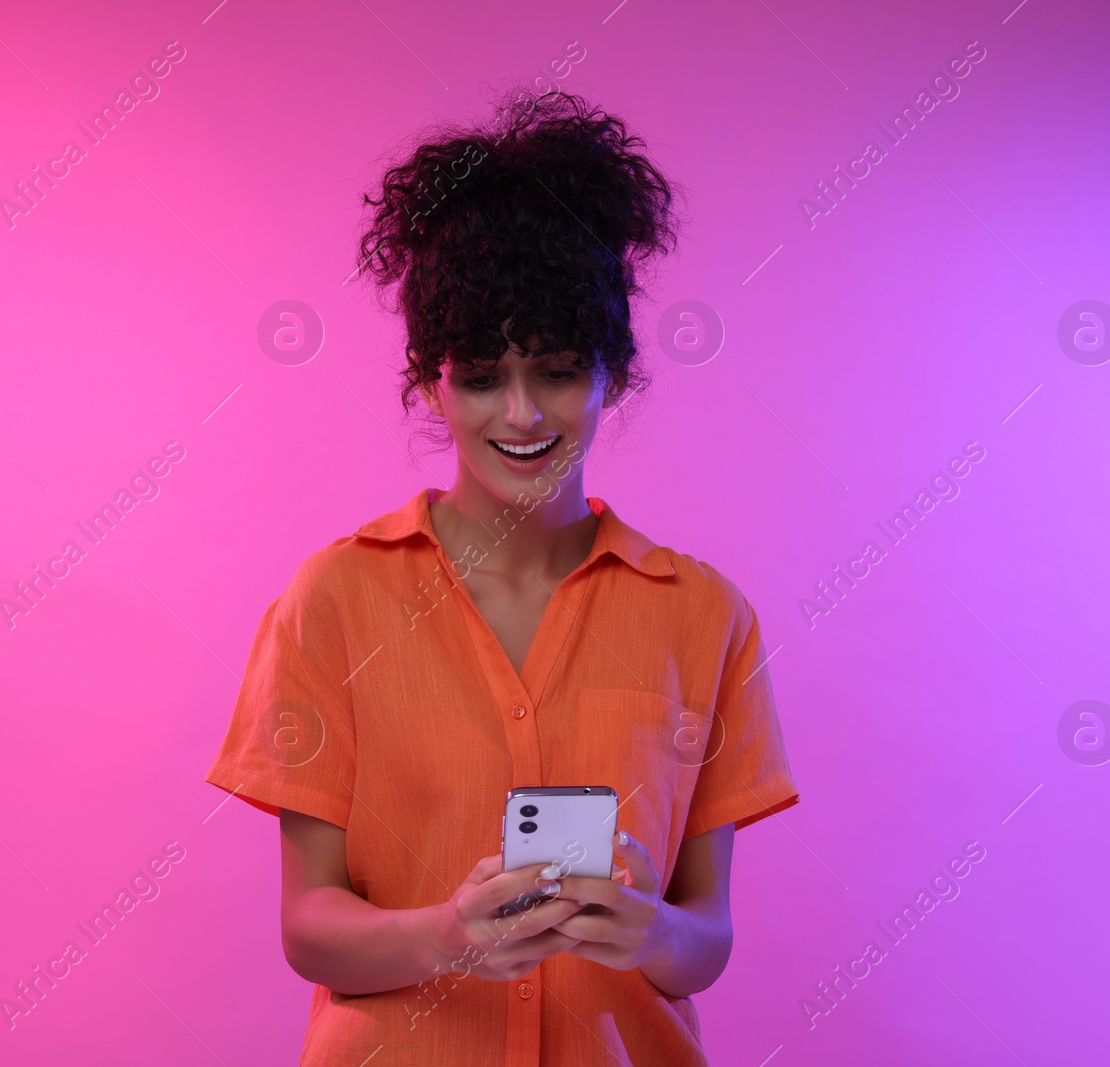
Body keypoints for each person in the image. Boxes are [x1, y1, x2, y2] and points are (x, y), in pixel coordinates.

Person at [204, 89, 799, 1066]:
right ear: (430, 379)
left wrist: (648, 929)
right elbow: (308, 923)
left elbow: (706, 941)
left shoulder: (705, 617)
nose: (521, 414)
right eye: (481, 375)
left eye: (558, 369)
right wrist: (446, 935)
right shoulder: (333, 601)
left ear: (611, 369)